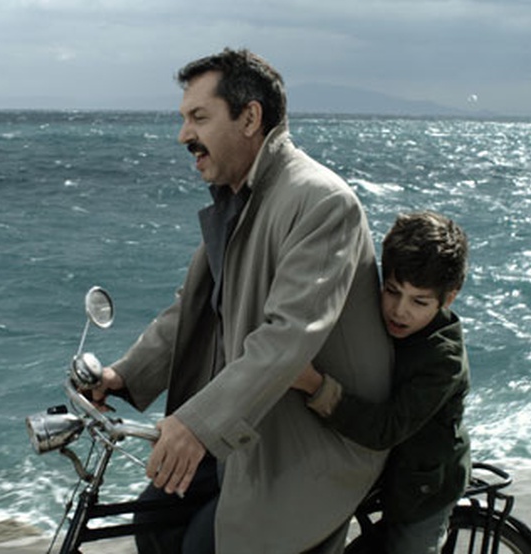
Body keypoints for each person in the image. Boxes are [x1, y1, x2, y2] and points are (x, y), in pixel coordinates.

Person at [90, 47, 392, 553]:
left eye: (198, 117)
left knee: (206, 545)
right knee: (153, 522)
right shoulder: (240, 198)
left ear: (250, 118)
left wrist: (196, 425)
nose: (183, 135)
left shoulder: (320, 201)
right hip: (256, 425)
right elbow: (194, 310)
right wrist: (124, 375)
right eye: (184, 118)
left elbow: (287, 338)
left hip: (316, 442)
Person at [293, 211, 472, 554]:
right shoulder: (382, 316)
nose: (399, 311)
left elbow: (386, 428)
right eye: (392, 291)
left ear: (448, 298)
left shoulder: (443, 361)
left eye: (419, 301)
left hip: (426, 489)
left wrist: (315, 385)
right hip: (383, 472)